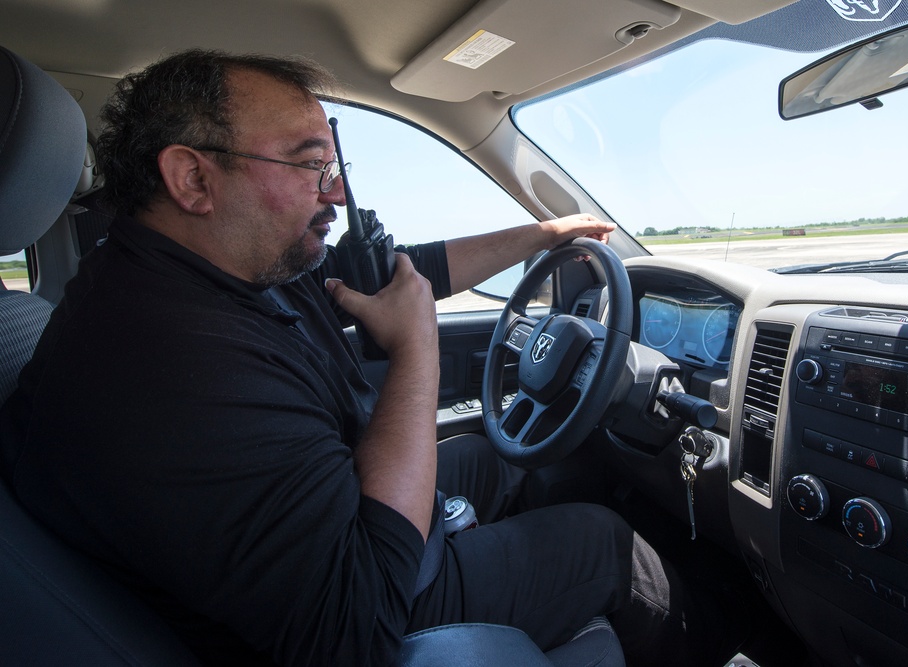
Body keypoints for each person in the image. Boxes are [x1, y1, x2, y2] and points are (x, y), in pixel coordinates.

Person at [0, 50, 699, 666]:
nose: (333, 192)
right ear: (193, 179)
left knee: (494, 457)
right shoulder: (163, 361)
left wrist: (543, 233)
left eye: (334, 169)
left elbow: (399, 272)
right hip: (369, 602)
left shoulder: (200, 268)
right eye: (310, 166)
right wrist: (417, 351)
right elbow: (358, 622)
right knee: (603, 542)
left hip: (341, 520)